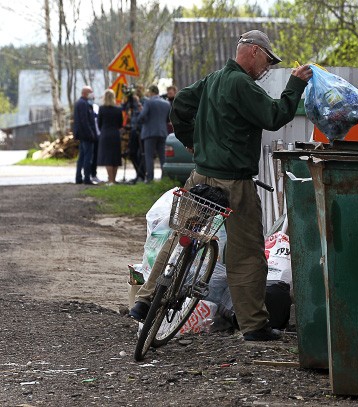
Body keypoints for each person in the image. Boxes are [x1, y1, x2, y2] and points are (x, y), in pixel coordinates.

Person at [129, 29, 312, 342]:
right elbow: (274, 115)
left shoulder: (213, 79)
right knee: (248, 255)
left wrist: (194, 144)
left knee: (180, 236)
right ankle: (254, 325)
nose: (267, 68)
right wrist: (296, 84)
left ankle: (145, 299)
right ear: (252, 51)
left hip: (200, 176)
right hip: (234, 184)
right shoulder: (242, 83)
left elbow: (181, 105)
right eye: (267, 60)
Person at [137, 84, 171, 183]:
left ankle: (150, 178)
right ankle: (164, 177)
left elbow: (142, 116)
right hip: (162, 132)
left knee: (149, 156)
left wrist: (141, 113)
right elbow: (168, 119)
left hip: (149, 133)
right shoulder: (166, 103)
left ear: (151, 92)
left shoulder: (148, 102)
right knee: (162, 156)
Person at [97, 89, 124, 185]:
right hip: (115, 134)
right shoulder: (118, 109)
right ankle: (114, 179)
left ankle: (110, 180)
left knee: (107, 158)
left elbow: (99, 123)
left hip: (105, 134)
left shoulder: (101, 109)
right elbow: (121, 124)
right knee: (115, 157)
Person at [74, 86, 98, 185]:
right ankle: (87, 177)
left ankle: (79, 177)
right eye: (90, 92)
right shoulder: (83, 104)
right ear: (85, 93)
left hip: (82, 135)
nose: (92, 94)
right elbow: (84, 121)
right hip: (86, 135)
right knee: (88, 157)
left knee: (82, 156)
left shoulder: (82, 103)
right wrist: (91, 134)